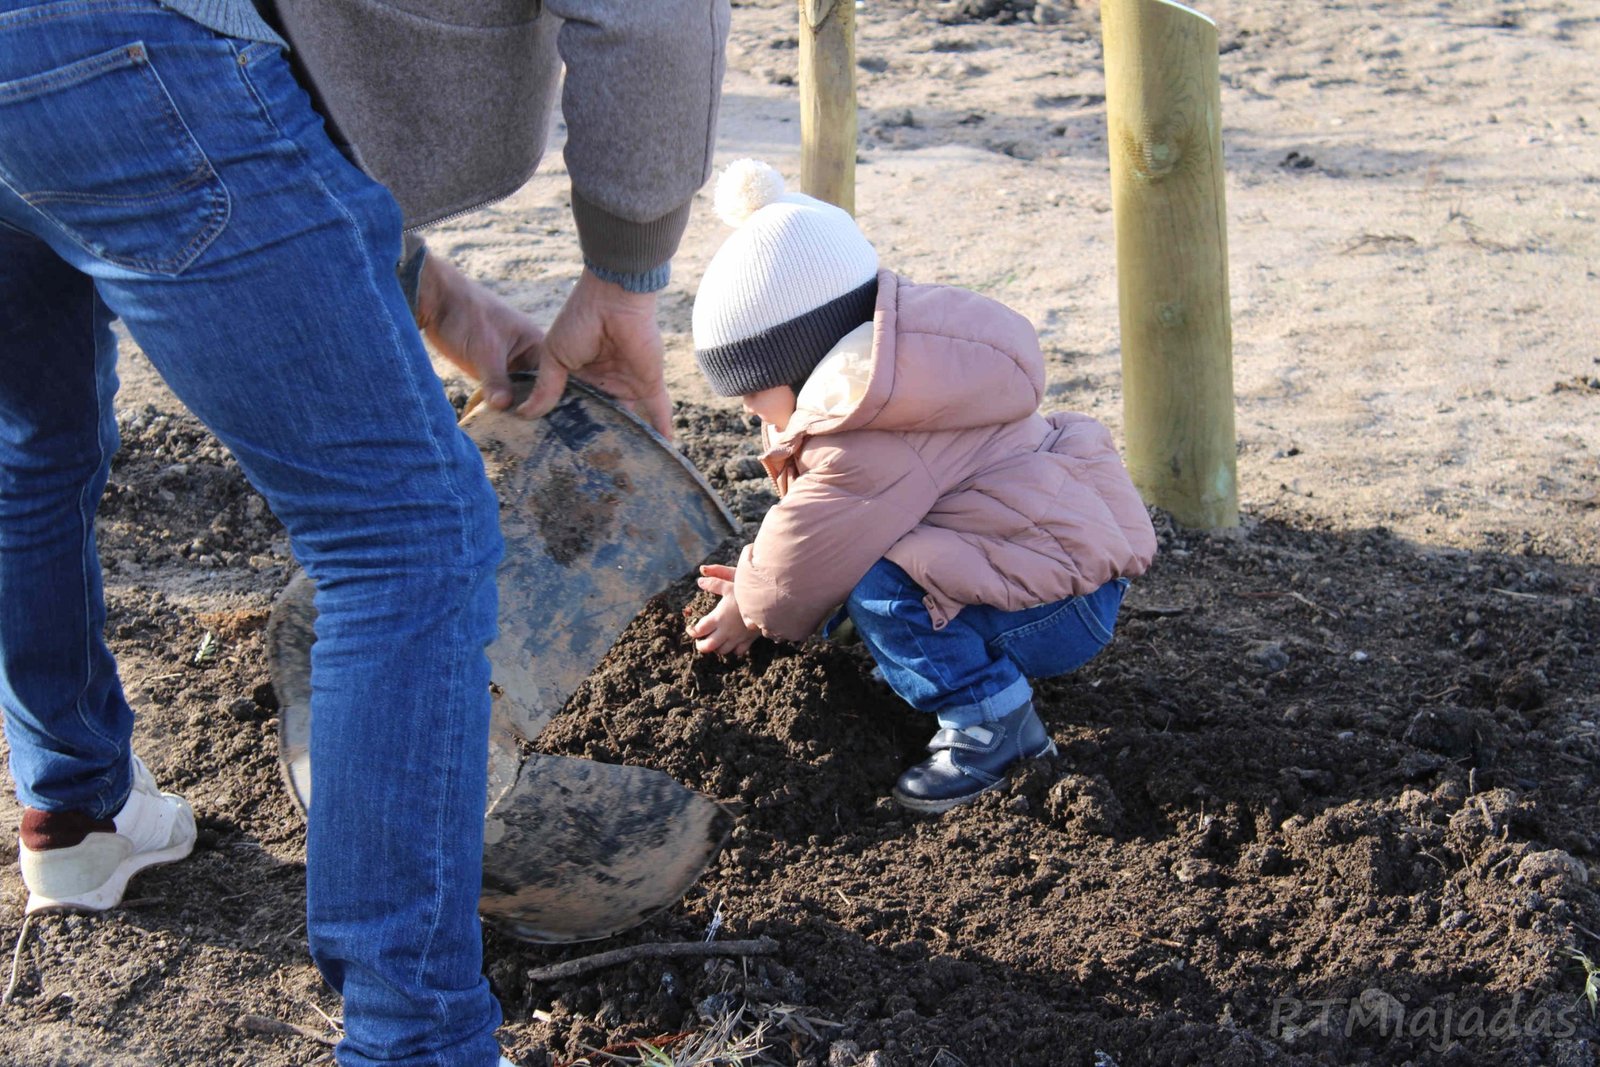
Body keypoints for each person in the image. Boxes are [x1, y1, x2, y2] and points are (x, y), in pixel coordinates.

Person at [0, 2, 727, 1065]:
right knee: (407, 538)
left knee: (28, 448)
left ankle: (75, 806)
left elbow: (275, 75)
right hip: (127, 48)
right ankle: (414, 1041)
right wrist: (626, 272)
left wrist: (441, 301)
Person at [685, 160, 1157, 814]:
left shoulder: (863, 435)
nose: (744, 407)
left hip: (1049, 613)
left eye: (750, 387)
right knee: (867, 556)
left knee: (875, 583)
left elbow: (801, 560)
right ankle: (942, 661)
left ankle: (993, 725)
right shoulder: (910, 378)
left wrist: (751, 603)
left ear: (799, 359)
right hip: (1060, 574)